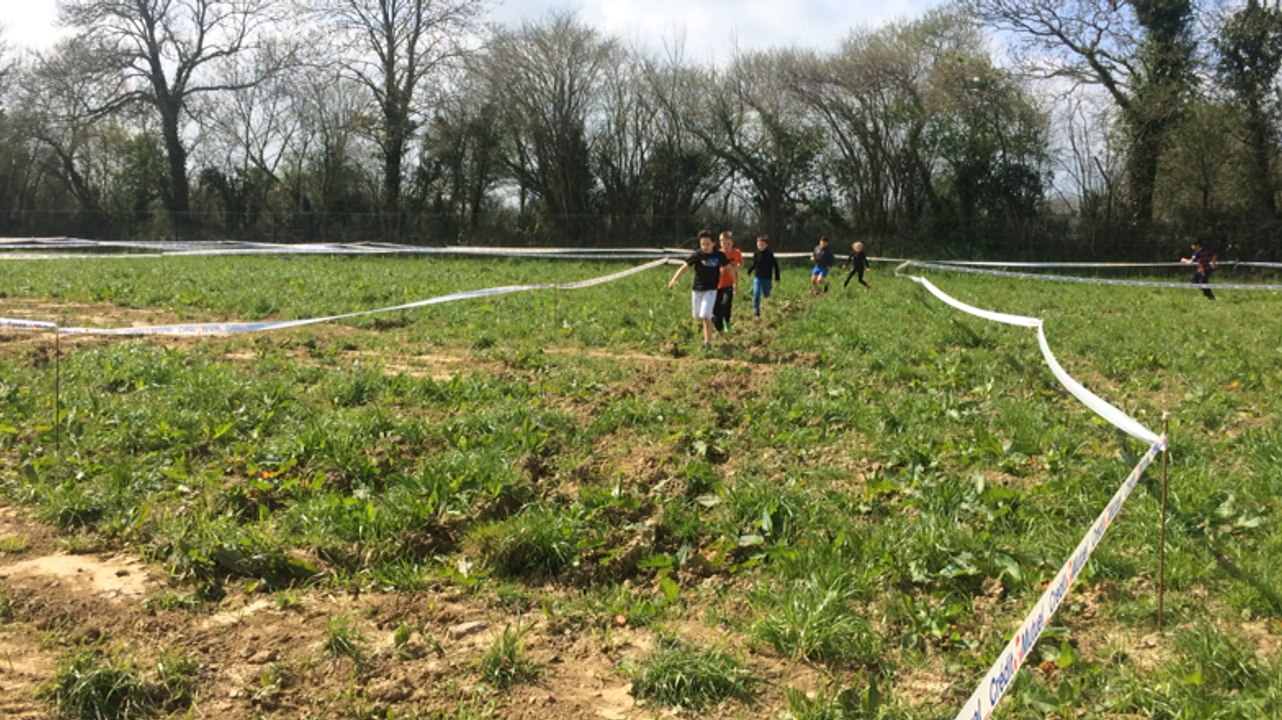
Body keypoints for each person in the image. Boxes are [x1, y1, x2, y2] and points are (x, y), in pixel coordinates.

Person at [667, 230, 728, 348]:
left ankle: (707, 343)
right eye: (702, 244)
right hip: (697, 289)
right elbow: (685, 267)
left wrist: (734, 281)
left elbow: (729, 267)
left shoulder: (719, 255)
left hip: (711, 290)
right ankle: (711, 317)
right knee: (697, 317)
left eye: (707, 243)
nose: (705, 246)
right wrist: (674, 279)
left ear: (713, 243)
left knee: (704, 316)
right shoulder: (697, 255)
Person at [713, 231, 743, 332]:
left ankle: (727, 320)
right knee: (717, 306)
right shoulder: (717, 254)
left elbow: (741, 263)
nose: (726, 245)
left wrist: (737, 267)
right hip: (717, 284)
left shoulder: (736, 252)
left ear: (732, 243)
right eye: (723, 243)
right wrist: (718, 271)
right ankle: (719, 326)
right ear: (720, 243)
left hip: (730, 283)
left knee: (726, 303)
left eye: (728, 243)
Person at [745, 234, 780, 317]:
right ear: (757, 244)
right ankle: (756, 310)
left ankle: (767, 290)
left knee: (766, 293)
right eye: (759, 244)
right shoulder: (756, 253)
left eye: (762, 245)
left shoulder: (770, 254)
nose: (760, 246)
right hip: (758, 277)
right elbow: (755, 264)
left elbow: (775, 265)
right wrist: (749, 271)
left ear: (766, 245)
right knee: (756, 293)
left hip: (767, 278)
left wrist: (777, 277)